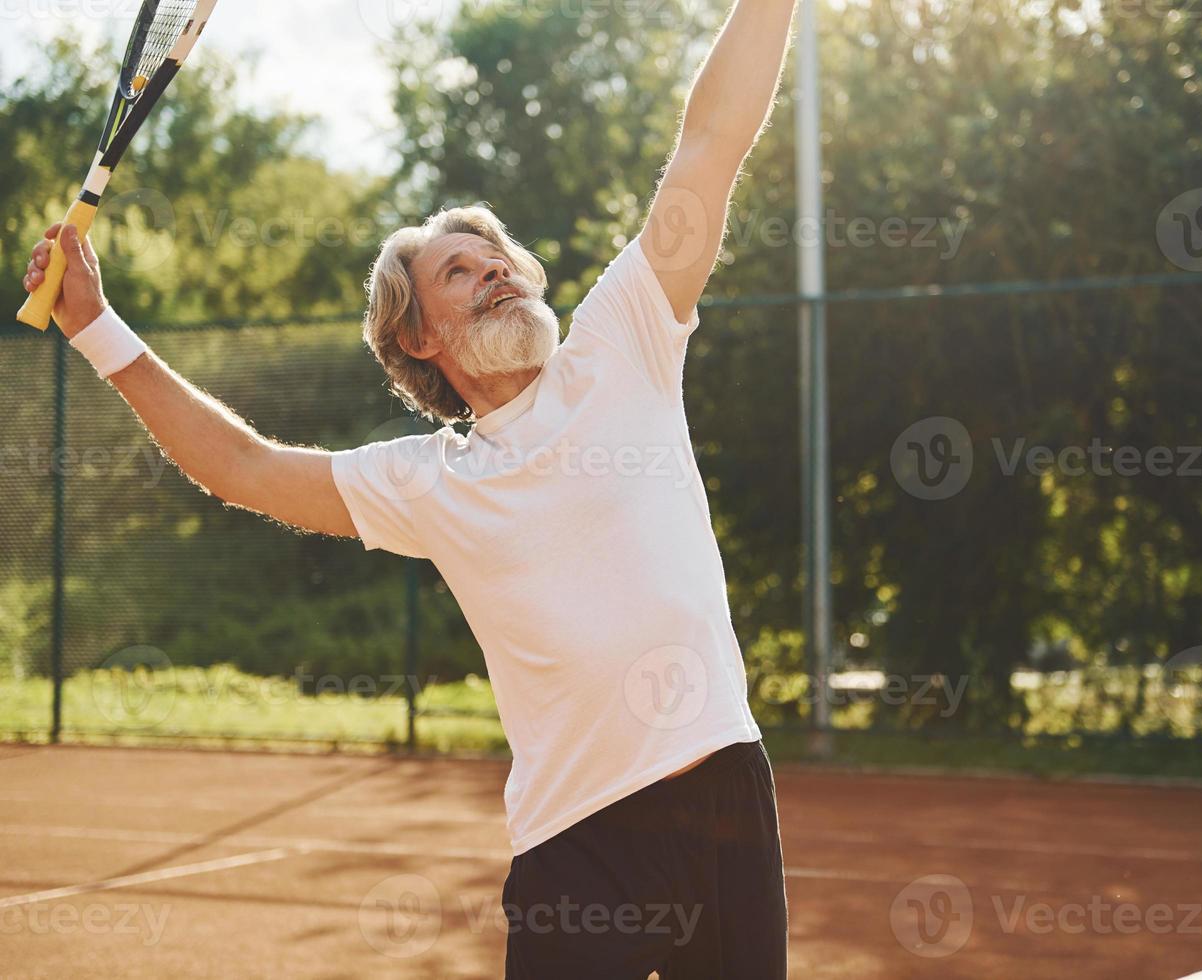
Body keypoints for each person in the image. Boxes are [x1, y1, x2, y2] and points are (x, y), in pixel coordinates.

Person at [20, 0, 798, 974]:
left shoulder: (624, 342)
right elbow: (242, 468)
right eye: (460, 272)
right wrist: (96, 325)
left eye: (498, 259)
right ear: (420, 338)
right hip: (578, 842)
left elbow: (710, 143)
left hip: (724, 793)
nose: (495, 273)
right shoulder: (432, 479)